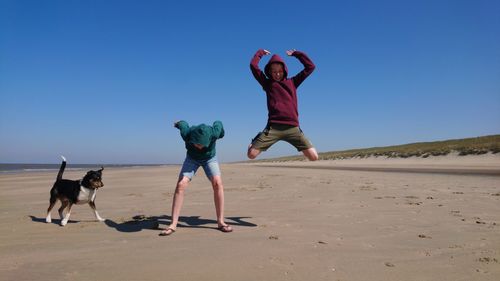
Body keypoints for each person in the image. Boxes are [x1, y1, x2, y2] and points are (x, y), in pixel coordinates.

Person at [160, 120, 233, 236]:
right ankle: (173, 224)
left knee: (217, 183)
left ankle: (220, 222)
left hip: (210, 158)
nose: (199, 147)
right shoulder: (187, 134)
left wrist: (222, 133)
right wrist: (177, 123)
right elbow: (183, 124)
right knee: (181, 185)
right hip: (192, 159)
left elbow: (218, 123)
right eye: (197, 144)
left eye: (202, 144)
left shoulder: (214, 133)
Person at [248, 49, 319, 161]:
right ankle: (256, 140)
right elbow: (253, 65)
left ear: (284, 70)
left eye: (280, 71)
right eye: (274, 72)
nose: (277, 74)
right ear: (269, 72)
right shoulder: (268, 84)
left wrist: (297, 54)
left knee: (314, 157)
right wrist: (260, 53)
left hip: (292, 127)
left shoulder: (293, 82)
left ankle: (304, 140)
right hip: (273, 127)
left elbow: (310, 67)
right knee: (251, 155)